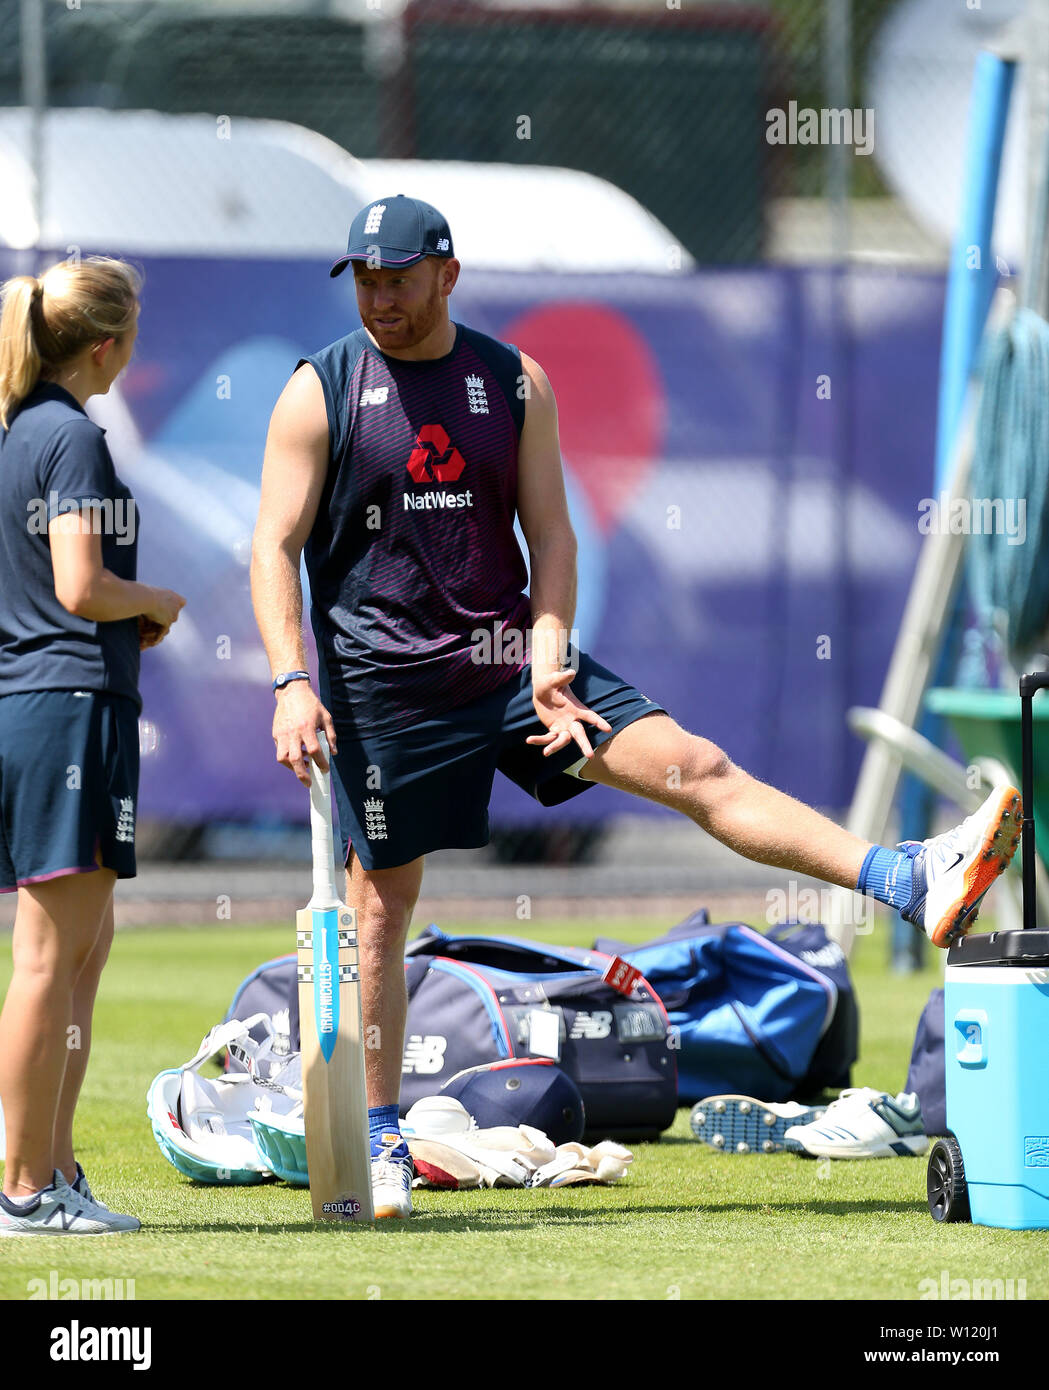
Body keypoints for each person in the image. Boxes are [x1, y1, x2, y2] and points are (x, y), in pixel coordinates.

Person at [251, 195, 1021, 1219]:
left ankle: (905, 875)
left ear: (447, 273)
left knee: (694, 766)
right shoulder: (320, 391)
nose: (378, 297)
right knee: (380, 912)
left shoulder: (512, 382)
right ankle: (381, 1137)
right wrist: (289, 678)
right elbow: (271, 545)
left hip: (512, 671)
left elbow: (552, 538)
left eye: (395, 276)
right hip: (386, 690)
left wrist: (546, 655)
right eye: (363, 278)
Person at [0, 258, 185, 1235]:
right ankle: (24, 1188)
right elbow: (78, 585)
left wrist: (122, 623)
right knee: (47, 954)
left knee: (80, 949)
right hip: (64, 709)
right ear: (107, 343)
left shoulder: (21, 430)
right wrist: (148, 600)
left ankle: (54, 1171)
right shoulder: (67, 435)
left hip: (57, 701)